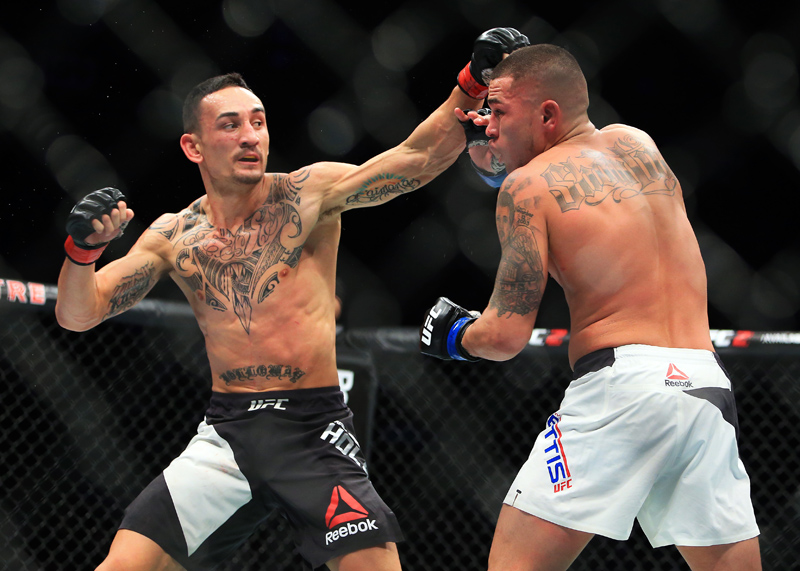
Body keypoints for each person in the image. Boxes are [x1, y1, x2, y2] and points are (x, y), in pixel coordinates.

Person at [54, 28, 529, 571]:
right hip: (227, 432)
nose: (250, 136)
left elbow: (415, 160)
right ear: (193, 146)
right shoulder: (172, 235)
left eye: (257, 121)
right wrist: (81, 252)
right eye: (230, 125)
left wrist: (470, 84)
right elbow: (79, 314)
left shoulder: (308, 194)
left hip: (311, 426)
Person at [420, 43, 762, 571]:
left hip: (619, 391)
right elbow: (571, 168)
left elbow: (504, 336)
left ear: (547, 115)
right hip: (703, 385)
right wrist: (493, 147)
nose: (487, 125)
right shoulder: (638, 144)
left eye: (500, 112)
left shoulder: (524, 189)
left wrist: (451, 334)